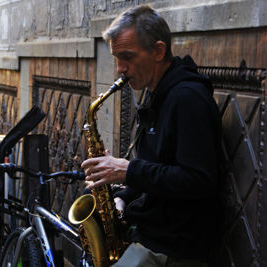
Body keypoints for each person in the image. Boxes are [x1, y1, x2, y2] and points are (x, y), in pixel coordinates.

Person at [81, 4, 222, 267]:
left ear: (158, 51)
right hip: (151, 235)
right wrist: (123, 197)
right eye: (116, 58)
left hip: (175, 246)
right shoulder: (156, 93)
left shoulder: (187, 98)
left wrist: (128, 171)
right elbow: (156, 166)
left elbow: (199, 179)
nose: (120, 68)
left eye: (128, 57)